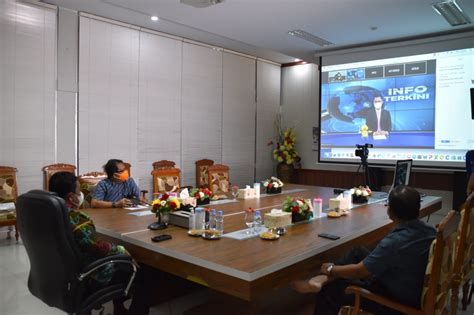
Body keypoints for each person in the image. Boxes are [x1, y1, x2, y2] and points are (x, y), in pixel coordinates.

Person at [292, 185, 436, 315]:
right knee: (357, 251)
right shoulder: (430, 231)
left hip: (395, 299)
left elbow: (360, 271)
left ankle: (325, 279)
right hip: (408, 283)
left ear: (390, 211)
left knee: (332, 290)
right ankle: (322, 279)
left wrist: (331, 269)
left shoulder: (395, 243)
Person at [49, 172, 152, 315]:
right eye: (79, 191)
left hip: (63, 274)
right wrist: (124, 251)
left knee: (123, 260)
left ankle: (120, 309)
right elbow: (98, 247)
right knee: (144, 272)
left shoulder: (52, 213)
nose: (81, 195)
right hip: (90, 274)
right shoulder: (75, 218)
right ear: (71, 197)